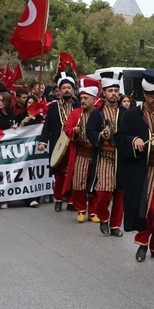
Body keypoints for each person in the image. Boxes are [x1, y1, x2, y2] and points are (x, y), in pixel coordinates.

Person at [116, 70, 154, 262]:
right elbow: (119, 137)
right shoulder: (131, 116)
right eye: (151, 97)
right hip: (141, 171)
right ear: (144, 95)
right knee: (146, 208)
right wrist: (133, 140)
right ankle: (142, 243)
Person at [87, 76, 125, 235]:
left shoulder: (126, 113)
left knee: (120, 193)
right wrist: (101, 135)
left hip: (122, 157)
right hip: (104, 156)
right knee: (104, 192)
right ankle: (104, 217)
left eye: (116, 91)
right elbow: (90, 132)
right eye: (110, 91)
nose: (114, 94)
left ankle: (115, 225)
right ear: (104, 93)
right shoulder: (97, 113)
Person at [64, 76, 100, 221]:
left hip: (97, 154)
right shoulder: (75, 113)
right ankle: (80, 209)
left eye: (86, 98)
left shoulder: (100, 113)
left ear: (93, 99)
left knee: (95, 183)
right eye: (81, 98)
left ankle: (93, 211)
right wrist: (74, 131)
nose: (83, 100)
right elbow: (67, 129)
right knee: (79, 182)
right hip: (81, 153)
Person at [44, 74, 77, 212]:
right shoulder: (53, 107)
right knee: (59, 174)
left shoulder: (79, 106)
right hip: (58, 144)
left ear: (73, 89)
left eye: (69, 87)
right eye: (63, 88)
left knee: (74, 173)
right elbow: (47, 126)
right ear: (59, 90)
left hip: (75, 144)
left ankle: (71, 201)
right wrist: (42, 141)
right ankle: (58, 199)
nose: (66, 90)